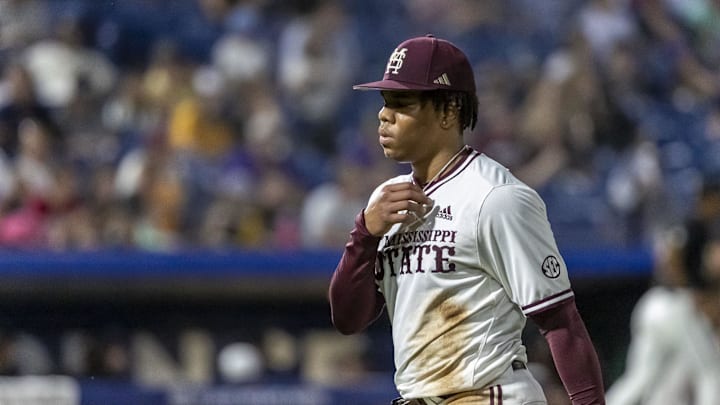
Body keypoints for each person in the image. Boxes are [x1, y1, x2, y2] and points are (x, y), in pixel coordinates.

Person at [328, 34, 605, 405]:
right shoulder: (388, 202)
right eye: (385, 102)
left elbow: (560, 322)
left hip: (491, 395)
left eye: (402, 102)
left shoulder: (496, 197)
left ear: (448, 111)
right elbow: (349, 319)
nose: (384, 114)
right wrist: (364, 233)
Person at [605, 180, 720, 405]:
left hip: (653, 304)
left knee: (641, 377)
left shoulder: (695, 225)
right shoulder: (694, 226)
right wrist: (688, 287)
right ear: (708, 198)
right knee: (710, 369)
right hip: (674, 304)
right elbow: (670, 258)